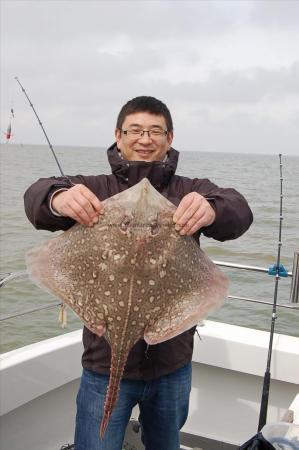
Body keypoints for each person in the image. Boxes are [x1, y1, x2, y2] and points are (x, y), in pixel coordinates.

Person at [24, 96, 253, 450]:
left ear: (169, 138)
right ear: (118, 136)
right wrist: (57, 198)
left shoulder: (189, 191)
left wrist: (213, 208)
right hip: (103, 364)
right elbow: (35, 197)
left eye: (154, 131)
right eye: (135, 130)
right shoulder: (96, 188)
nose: (144, 138)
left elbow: (240, 211)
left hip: (172, 363)